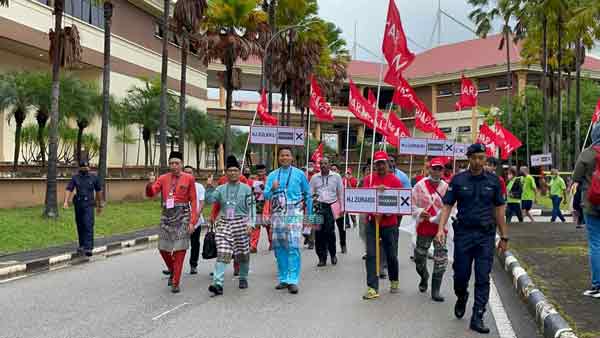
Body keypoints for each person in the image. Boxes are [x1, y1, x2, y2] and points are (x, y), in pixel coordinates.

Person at [436, 143, 508, 334]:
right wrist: (441, 228)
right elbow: (447, 205)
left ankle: (478, 316)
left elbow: (500, 210)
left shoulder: (494, 181)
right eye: (474, 157)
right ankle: (461, 296)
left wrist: (504, 236)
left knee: (483, 276)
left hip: (485, 236)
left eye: (481, 157)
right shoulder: (458, 180)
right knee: (460, 275)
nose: (478, 161)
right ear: (468, 158)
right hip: (464, 235)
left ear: (485, 159)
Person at [146, 151, 198, 293]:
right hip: (167, 215)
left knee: (180, 249)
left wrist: (193, 221)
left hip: (183, 215)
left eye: (176, 163)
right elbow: (151, 193)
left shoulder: (189, 178)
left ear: (181, 164)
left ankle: (176, 282)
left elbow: (193, 200)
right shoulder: (163, 178)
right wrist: (150, 183)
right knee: (163, 248)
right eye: (171, 163)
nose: (174, 166)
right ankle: (172, 269)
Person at [264, 147, 313, 294]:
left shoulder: (299, 174)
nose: (285, 157)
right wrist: (272, 189)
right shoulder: (272, 175)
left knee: (293, 246)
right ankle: (283, 278)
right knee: (279, 247)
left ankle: (293, 280)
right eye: (282, 155)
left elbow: (308, 195)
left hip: (294, 211)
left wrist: (309, 216)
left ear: (292, 158)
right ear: (278, 158)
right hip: (278, 213)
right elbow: (265, 196)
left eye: (287, 155)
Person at [206, 155, 256, 296]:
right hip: (224, 222)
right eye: (230, 170)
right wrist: (209, 186)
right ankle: (218, 283)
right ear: (226, 173)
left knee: (243, 253)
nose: (233, 173)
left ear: (239, 173)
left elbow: (252, 207)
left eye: (235, 170)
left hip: (241, 222)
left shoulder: (247, 189)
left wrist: (251, 224)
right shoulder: (220, 188)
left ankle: (243, 277)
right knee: (222, 252)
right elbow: (210, 200)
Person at [362, 150, 403, 300]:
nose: (380, 166)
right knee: (371, 254)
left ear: (388, 164)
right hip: (372, 222)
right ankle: (372, 287)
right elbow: (363, 198)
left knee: (391, 254)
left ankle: (394, 279)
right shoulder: (369, 179)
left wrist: (387, 207)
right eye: (377, 164)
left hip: (389, 223)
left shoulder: (395, 180)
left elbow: (400, 204)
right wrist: (374, 190)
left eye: (382, 163)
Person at [411, 157, 449, 302]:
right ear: (429, 169)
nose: (437, 171)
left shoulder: (446, 187)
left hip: (440, 228)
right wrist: (420, 212)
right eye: (434, 168)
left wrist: (440, 216)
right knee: (419, 258)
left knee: (441, 258)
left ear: (443, 171)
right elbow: (411, 204)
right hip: (424, 227)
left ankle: (435, 290)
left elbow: (451, 207)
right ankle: (424, 276)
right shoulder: (419, 186)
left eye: (440, 169)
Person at [573, 122, 600, 299]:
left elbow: (576, 177)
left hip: (592, 205)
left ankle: (597, 286)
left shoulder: (588, 153)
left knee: (596, 244)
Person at [63, 159, 103, 257]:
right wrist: (66, 202)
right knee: (80, 225)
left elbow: (98, 191)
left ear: (89, 167)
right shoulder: (75, 178)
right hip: (78, 204)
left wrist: (99, 204)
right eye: (83, 167)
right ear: (80, 168)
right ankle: (82, 245)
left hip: (89, 204)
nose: (85, 169)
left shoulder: (94, 178)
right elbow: (69, 189)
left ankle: (88, 248)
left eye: (86, 167)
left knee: (88, 224)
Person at [310, 157, 344, 266]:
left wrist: (342, 207)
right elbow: (310, 193)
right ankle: (321, 258)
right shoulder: (315, 177)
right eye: (321, 163)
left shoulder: (336, 176)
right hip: (319, 207)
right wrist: (311, 207)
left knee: (330, 232)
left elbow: (340, 193)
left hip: (332, 206)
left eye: (326, 163)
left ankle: (333, 254)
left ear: (329, 165)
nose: (323, 165)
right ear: (319, 165)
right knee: (318, 233)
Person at [182, 166, 205, 275]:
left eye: (190, 172)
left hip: (196, 220)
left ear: (193, 174)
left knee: (195, 243)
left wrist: (195, 217)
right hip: (181, 220)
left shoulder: (199, 187)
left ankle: (193, 265)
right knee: (177, 244)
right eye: (185, 172)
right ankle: (173, 267)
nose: (188, 174)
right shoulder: (179, 186)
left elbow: (201, 203)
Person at [249, 164, 272, 252]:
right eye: (258, 171)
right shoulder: (253, 180)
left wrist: (265, 188)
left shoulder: (269, 180)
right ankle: (253, 246)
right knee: (256, 226)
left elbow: (272, 191)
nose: (260, 173)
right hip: (257, 205)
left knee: (268, 226)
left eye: (262, 171)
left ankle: (272, 243)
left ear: (265, 171)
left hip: (267, 205)